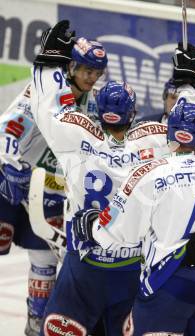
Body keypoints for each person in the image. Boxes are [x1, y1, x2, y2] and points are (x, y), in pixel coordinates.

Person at [29, 20, 169, 335]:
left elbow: (46, 108)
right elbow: (189, 131)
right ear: (133, 114)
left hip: (84, 267)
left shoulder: (78, 136)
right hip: (131, 268)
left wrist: (50, 61)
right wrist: (189, 83)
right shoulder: (155, 143)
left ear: (99, 109)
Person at [71, 102, 195, 335]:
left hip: (169, 284)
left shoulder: (148, 174)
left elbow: (120, 234)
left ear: (170, 131)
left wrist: (91, 226)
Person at [0, 35, 107, 336]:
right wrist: (9, 165)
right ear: (71, 65)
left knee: (44, 257)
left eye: (97, 73)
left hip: (46, 187)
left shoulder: (91, 103)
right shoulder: (44, 90)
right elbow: (9, 126)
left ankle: (36, 320)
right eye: (87, 70)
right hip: (10, 175)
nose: (92, 78)